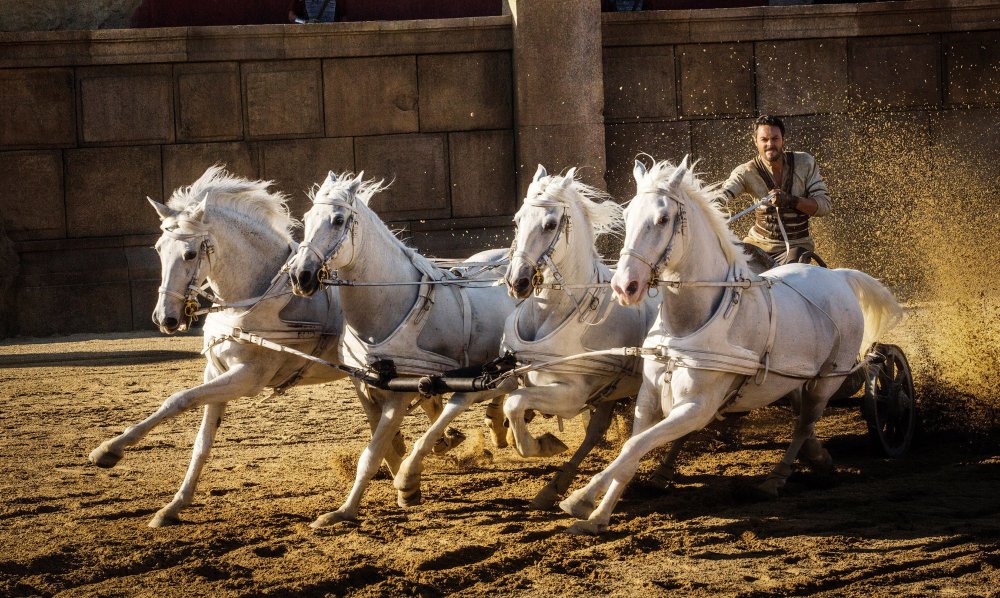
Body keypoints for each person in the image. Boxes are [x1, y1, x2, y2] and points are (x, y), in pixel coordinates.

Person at [716, 115, 831, 264]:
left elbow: (825, 206)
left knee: (789, 274)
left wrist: (791, 200)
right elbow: (722, 195)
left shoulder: (805, 162)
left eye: (775, 139)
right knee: (731, 271)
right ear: (755, 141)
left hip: (797, 247)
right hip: (757, 246)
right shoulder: (745, 172)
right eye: (764, 139)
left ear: (783, 139)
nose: (770, 144)